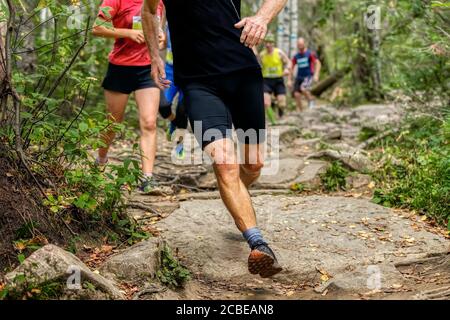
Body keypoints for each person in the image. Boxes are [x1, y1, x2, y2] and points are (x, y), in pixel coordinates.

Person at [142, 0, 287, 278]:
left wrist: (261, 17)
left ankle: (236, 197)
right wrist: (154, 56)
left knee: (253, 165)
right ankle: (258, 243)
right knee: (225, 163)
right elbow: (148, 10)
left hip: (244, 75)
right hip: (198, 84)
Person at [93, 0, 164, 193]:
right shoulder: (115, 0)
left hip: (147, 69)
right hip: (120, 68)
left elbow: (159, 26)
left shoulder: (158, 2)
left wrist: (160, 35)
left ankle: (147, 178)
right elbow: (97, 28)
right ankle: (100, 161)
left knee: (149, 122)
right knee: (113, 123)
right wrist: (128, 33)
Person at [158, 26, 188, 159]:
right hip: (170, 72)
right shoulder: (170, 20)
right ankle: (173, 122)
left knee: (182, 111)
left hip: (191, 75)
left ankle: (179, 146)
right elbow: (163, 44)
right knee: (163, 106)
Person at [259, 34, 291, 123]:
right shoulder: (262, 55)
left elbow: (289, 62)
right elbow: (257, 67)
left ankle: (280, 110)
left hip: (278, 80)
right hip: (266, 81)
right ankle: (274, 122)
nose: (268, 44)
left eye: (270, 42)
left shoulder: (279, 53)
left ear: (273, 43)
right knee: (266, 103)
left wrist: (287, 69)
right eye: (266, 42)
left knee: (282, 103)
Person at [289, 37, 321, 111]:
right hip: (299, 77)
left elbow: (318, 63)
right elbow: (291, 67)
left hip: (308, 76)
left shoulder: (310, 54)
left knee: (303, 88)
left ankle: (311, 101)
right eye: (298, 44)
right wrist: (289, 80)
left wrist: (316, 75)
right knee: (296, 94)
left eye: (301, 44)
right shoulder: (296, 56)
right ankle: (301, 111)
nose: (300, 46)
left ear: (304, 44)